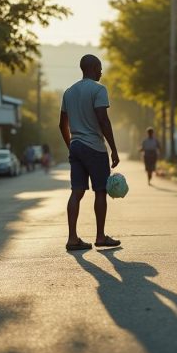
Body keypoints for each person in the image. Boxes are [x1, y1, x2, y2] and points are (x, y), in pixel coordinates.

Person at [58, 54, 121, 251]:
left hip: (76, 145)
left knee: (76, 192)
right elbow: (103, 120)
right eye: (100, 68)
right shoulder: (99, 90)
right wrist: (114, 149)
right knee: (100, 190)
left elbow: (62, 124)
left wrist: (72, 145)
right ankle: (100, 236)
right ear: (93, 68)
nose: (101, 72)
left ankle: (72, 238)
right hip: (94, 147)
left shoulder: (69, 92)